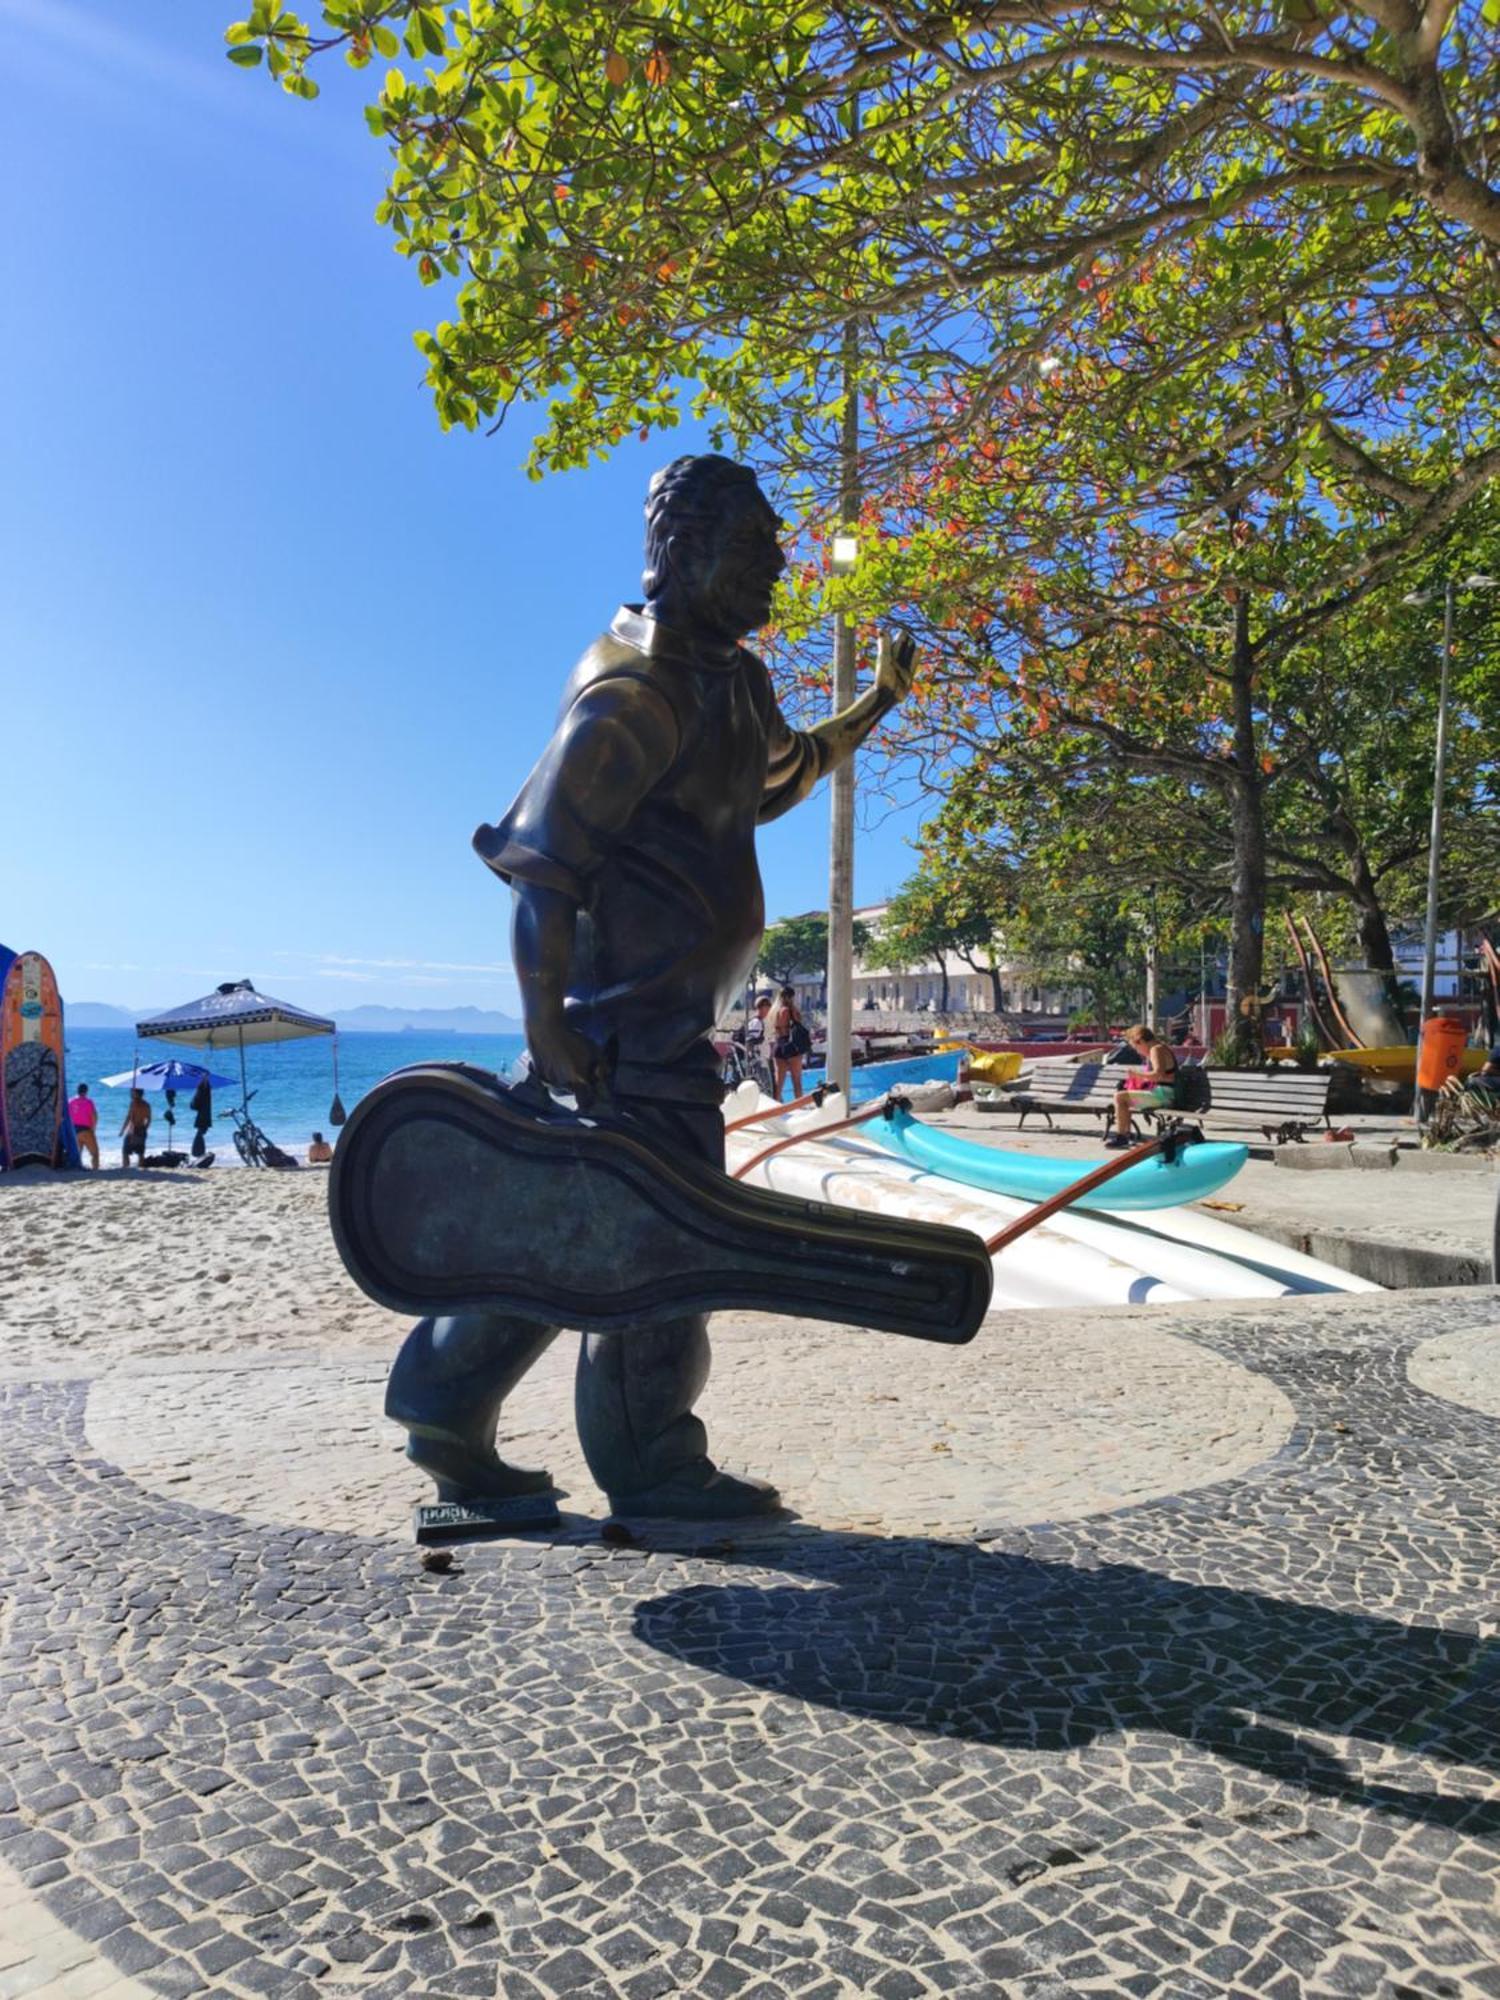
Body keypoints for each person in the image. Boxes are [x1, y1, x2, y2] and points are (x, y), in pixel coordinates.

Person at [386, 452, 917, 1522]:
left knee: (556, 1232)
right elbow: (544, 871)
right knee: (656, 1260)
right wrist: (550, 1028)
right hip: (619, 1042)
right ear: (681, 553)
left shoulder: (736, 680)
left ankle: (443, 1402)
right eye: (758, 552)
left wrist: (879, 701)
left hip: (663, 1034)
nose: (778, 573)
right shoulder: (634, 693)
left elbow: (785, 770)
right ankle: (653, 1466)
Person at [1106, 1024, 1179, 1149]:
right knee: (1124, 1097)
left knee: (1120, 1097)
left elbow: (1158, 1074)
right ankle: (1125, 1135)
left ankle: (1122, 1136)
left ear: (1140, 1041)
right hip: (1164, 1092)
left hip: (1163, 1095)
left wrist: (1137, 1075)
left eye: (1136, 1047)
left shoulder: (1156, 1049)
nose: (1138, 1051)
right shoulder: (1159, 1048)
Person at [771, 985, 811, 1102]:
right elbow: (798, 1023)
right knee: (796, 1081)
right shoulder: (790, 1011)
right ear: (791, 997)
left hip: (779, 1045)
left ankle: (774, 1110)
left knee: (779, 1083)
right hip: (792, 1046)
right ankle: (799, 1108)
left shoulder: (775, 1011)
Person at [68, 1082, 99, 1168]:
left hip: (74, 1130)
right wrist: (93, 1129)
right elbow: (94, 1116)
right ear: (86, 1091)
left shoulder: (70, 1101)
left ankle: (77, 1170)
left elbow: (68, 1117)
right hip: (85, 1129)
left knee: (78, 1153)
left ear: (77, 1091)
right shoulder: (88, 1102)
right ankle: (95, 1171)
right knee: (95, 1154)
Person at [120, 1088, 151, 1167]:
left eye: (132, 1093)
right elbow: (149, 1119)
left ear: (136, 1094)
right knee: (140, 1152)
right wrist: (145, 1129)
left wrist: (122, 1130)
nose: (130, 1094)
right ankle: (140, 1168)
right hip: (142, 1130)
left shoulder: (133, 1104)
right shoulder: (147, 1105)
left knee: (125, 1151)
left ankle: (126, 1168)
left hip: (133, 1130)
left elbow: (129, 1118)